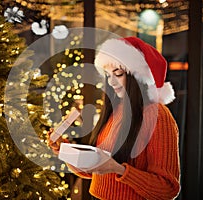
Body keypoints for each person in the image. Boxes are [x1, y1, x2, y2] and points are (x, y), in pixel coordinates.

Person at [48, 36, 180, 200]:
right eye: (108, 75)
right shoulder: (116, 110)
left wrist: (119, 170)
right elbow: (97, 169)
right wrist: (65, 150)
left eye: (118, 74)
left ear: (138, 77)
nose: (111, 82)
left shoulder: (157, 116)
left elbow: (167, 189)